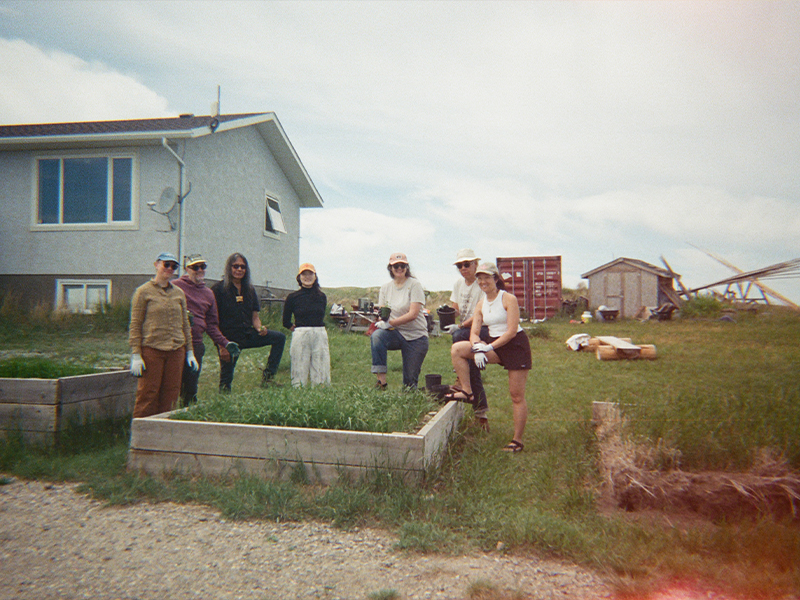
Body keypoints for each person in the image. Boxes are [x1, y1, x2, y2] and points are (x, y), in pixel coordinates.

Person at [448, 262, 531, 452]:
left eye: (487, 277)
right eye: (480, 278)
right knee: (458, 349)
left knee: (516, 395)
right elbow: (474, 331)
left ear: (496, 279)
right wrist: (477, 346)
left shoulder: (508, 299)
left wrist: (487, 348)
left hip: (515, 346)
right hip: (494, 344)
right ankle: (468, 391)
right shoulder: (481, 304)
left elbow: (510, 332)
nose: (483, 281)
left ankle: (517, 441)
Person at [128, 251, 199, 418]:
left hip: (176, 350)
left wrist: (190, 352)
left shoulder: (178, 293)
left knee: (171, 393)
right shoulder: (143, 292)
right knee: (148, 393)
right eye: (166, 264)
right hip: (152, 350)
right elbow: (135, 324)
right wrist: (136, 355)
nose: (169, 268)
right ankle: (141, 434)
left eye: (173, 266)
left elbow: (185, 324)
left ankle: (165, 434)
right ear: (156, 265)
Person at [173, 253, 241, 406]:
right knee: (171, 385)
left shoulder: (208, 293)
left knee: (190, 387)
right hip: (175, 343)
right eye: (195, 267)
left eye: (202, 266)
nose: (199, 270)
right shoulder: (175, 286)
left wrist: (225, 343)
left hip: (196, 344)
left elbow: (211, 324)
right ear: (186, 269)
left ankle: (187, 418)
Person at [212, 253, 286, 391]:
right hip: (228, 339)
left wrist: (260, 328)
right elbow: (212, 321)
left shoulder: (250, 290)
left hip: (247, 333)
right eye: (236, 266)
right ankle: (224, 401)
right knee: (226, 379)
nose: (239, 269)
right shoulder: (218, 289)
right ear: (229, 268)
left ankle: (268, 378)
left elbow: (255, 317)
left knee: (279, 338)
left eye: (243, 267)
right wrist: (222, 345)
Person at [446, 248, 491, 430]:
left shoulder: (481, 285)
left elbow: (481, 314)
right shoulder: (458, 284)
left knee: (457, 337)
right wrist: (448, 313)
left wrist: (461, 326)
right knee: (472, 369)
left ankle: (462, 383)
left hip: (483, 329)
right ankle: (481, 414)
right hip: (466, 329)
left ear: (475, 265)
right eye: (459, 266)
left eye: (467, 264)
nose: (463, 268)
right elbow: (456, 308)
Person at [371, 252, 429, 390]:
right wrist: (382, 319)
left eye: (402, 265)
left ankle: (414, 397)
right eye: (395, 266)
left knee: (409, 385)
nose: (399, 268)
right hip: (397, 334)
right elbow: (383, 311)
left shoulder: (414, 285)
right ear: (390, 268)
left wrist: (390, 323)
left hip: (416, 337)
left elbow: (413, 314)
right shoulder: (385, 288)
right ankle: (381, 382)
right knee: (377, 336)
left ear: (407, 267)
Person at [282, 263, 331, 386]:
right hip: (301, 334)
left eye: (310, 274)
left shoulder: (321, 296)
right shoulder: (292, 297)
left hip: (319, 333)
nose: (307, 277)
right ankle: (298, 391)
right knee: (299, 366)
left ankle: (320, 390)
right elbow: (286, 321)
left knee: (320, 367)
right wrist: (297, 329)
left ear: (315, 277)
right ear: (299, 277)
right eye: (304, 274)